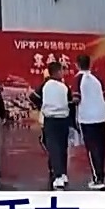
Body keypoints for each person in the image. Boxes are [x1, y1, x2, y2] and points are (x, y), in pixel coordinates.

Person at [73, 54, 105, 190]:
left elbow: (76, 99)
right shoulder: (98, 78)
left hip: (87, 119)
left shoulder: (78, 79)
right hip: (101, 117)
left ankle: (98, 179)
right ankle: (100, 175)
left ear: (77, 64)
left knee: (92, 149)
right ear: (90, 64)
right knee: (101, 148)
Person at [31, 61, 72, 190]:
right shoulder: (64, 87)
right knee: (62, 147)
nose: (63, 73)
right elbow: (71, 102)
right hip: (63, 119)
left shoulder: (45, 85)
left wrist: (42, 106)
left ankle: (59, 175)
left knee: (54, 148)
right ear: (57, 72)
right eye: (62, 70)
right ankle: (62, 174)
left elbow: (33, 97)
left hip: (51, 120)